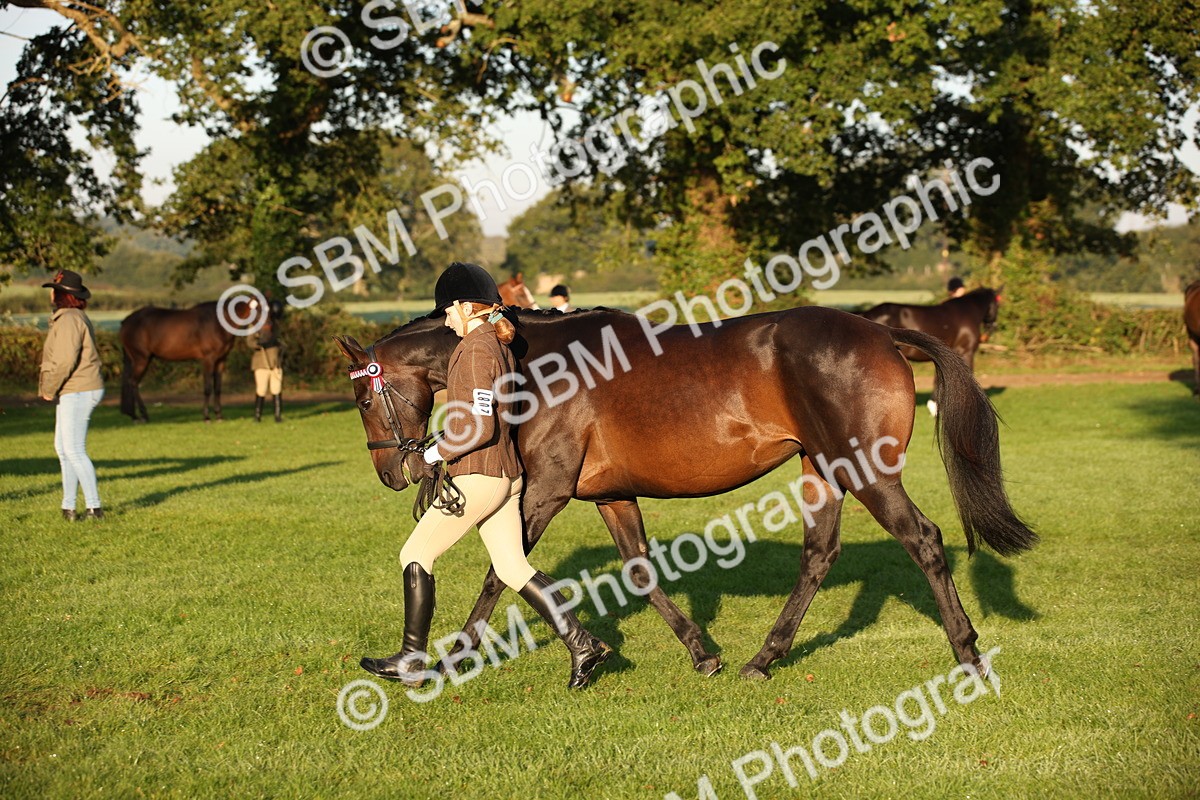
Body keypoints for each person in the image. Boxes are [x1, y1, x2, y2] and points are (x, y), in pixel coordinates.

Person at [360, 262, 611, 689]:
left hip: (480, 474)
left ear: (464, 307)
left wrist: (434, 453)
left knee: (415, 554)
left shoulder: (475, 350)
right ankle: (583, 643)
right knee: (513, 568)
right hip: (506, 474)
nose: (444, 318)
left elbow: (477, 427)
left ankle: (411, 660)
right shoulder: (497, 347)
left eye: (447, 310)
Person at [38, 270, 105, 521]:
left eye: (54, 289)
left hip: (78, 389)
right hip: (74, 389)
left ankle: (94, 508)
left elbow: (65, 360)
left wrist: (48, 389)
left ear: (62, 295)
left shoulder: (68, 320)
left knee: (74, 450)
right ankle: (68, 508)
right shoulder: (69, 317)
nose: (51, 293)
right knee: (64, 449)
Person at [246, 299, 284, 422]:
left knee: (276, 388)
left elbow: (281, 340)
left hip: (275, 362)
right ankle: (257, 416)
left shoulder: (274, 325)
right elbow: (249, 342)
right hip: (261, 362)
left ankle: (277, 416)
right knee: (261, 389)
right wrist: (259, 343)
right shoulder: (253, 325)